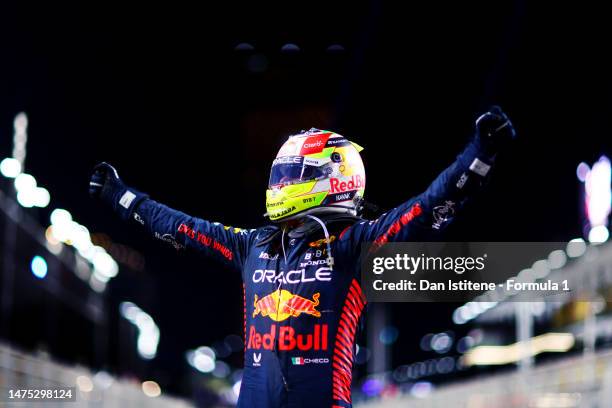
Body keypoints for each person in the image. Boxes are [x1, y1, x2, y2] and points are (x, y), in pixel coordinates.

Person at [89, 106, 515, 408]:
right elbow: (182, 227)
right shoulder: (252, 244)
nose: (283, 183)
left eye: (296, 174)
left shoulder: (353, 246)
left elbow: (425, 208)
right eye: (283, 173)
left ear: (334, 178)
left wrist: (478, 155)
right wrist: (123, 197)